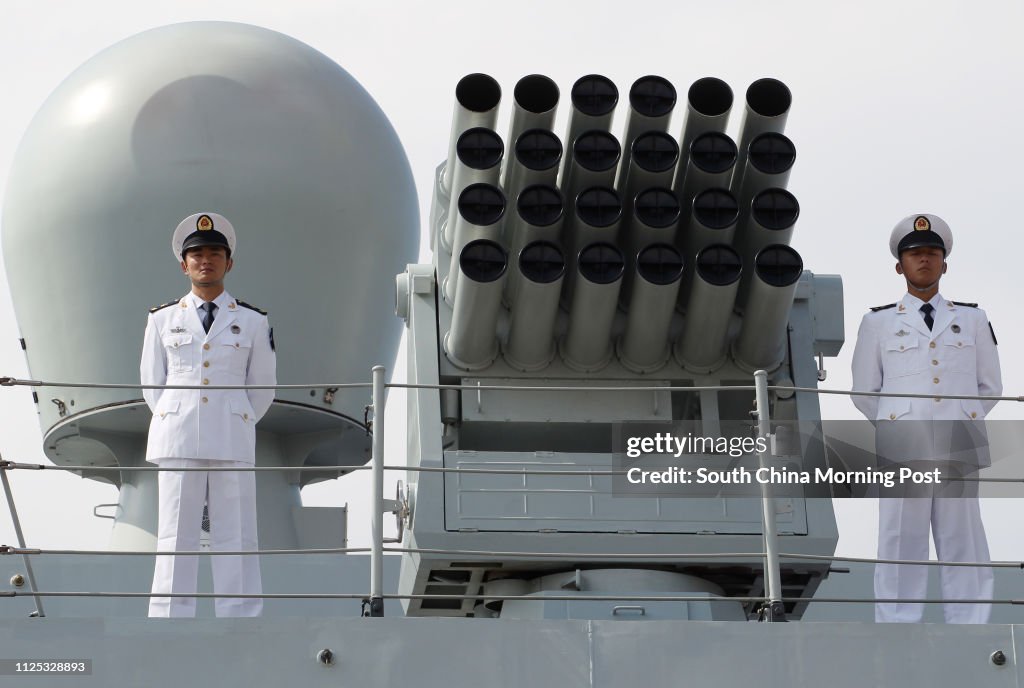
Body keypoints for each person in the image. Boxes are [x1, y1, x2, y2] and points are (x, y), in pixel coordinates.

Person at [851, 213, 1001, 623]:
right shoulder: (877, 323)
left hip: (958, 445)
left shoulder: (972, 318)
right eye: (915, 254)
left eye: (932, 253)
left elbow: (990, 387)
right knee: (900, 539)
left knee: (963, 539)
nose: (924, 260)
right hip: (903, 448)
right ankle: (898, 624)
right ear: (900, 265)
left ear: (944, 263)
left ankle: (971, 626)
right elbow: (865, 393)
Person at [141, 212, 276, 617]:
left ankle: (240, 618)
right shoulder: (161, 319)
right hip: (178, 433)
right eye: (196, 254)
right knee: (174, 534)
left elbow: (263, 387)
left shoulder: (253, 321)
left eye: (215, 253)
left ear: (228, 262)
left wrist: (236, 417)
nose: (206, 260)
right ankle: (169, 618)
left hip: (232, 434)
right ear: (184, 264)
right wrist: (178, 415)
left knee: (236, 532)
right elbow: (152, 384)